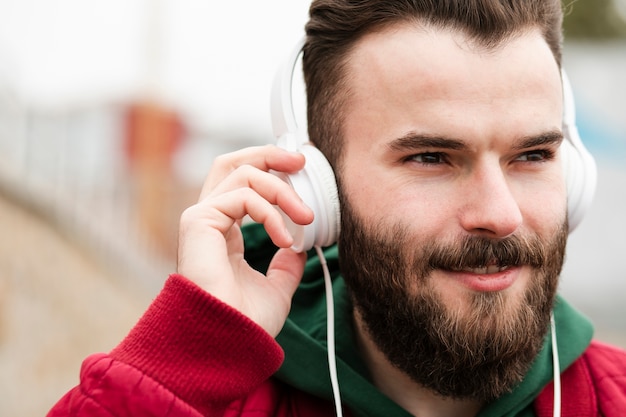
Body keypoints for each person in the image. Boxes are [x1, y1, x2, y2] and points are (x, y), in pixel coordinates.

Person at [48, 1, 626, 416]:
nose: (499, 215)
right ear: (320, 193)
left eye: (532, 154)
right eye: (430, 157)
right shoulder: (208, 400)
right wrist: (189, 354)